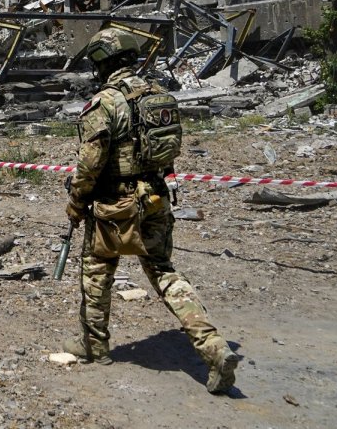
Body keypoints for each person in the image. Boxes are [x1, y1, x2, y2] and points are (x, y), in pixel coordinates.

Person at [63, 27, 239, 395]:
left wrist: (76, 202)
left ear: (102, 62)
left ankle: (95, 347)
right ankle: (213, 347)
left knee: (96, 272)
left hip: (115, 206)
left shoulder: (105, 104)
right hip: (156, 199)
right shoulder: (159, 97)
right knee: (164, 272)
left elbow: (89, 165)